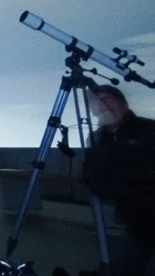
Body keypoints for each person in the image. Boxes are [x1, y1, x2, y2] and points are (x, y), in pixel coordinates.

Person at [84, 84, 155, 276]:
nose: (103, 105)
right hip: (139, 226)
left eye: (109, 99)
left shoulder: (150, 130)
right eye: (97, 103)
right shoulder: (97, 139)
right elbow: (96, 182)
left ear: (125, 104)